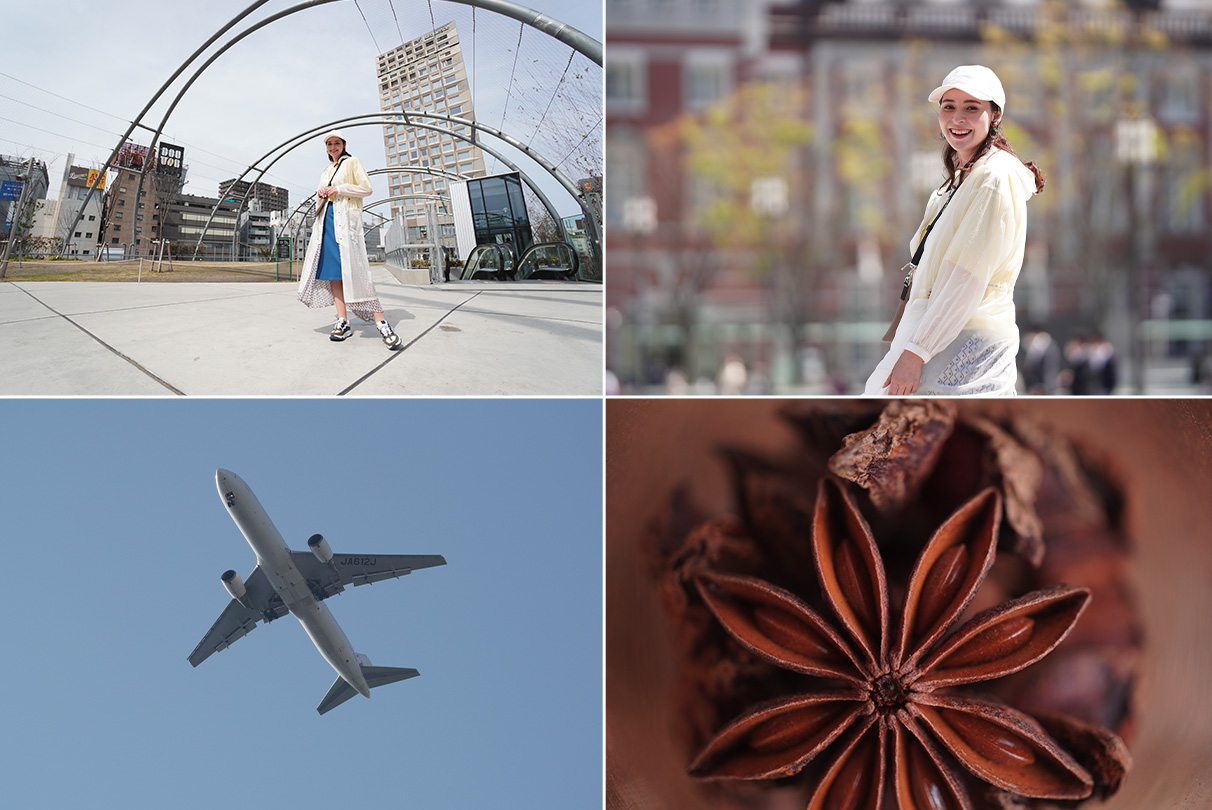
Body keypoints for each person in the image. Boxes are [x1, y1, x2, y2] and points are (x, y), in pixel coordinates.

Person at [865, 65, 1045, 396]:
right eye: (948, 107)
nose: (957, 118)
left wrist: (917, 351)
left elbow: (966, 280)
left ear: (995, 116)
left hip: (962, 337)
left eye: (971, 108)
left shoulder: (994, 179)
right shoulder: (964, 179)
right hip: (945, 332)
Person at [297, 131, 400, 349]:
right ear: (326, 148)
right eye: (329, 144)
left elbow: (366, 189)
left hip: (345, 223)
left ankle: (381, 321)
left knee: (357, 271)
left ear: (344, 145)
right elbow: (320, 196)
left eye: (336, 143)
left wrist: (339, 188)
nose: (333, 147)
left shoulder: (352, 163)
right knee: (334, 274)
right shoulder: (327, 170)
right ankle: (342, 320)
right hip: (327, 223)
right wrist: (322, 192)